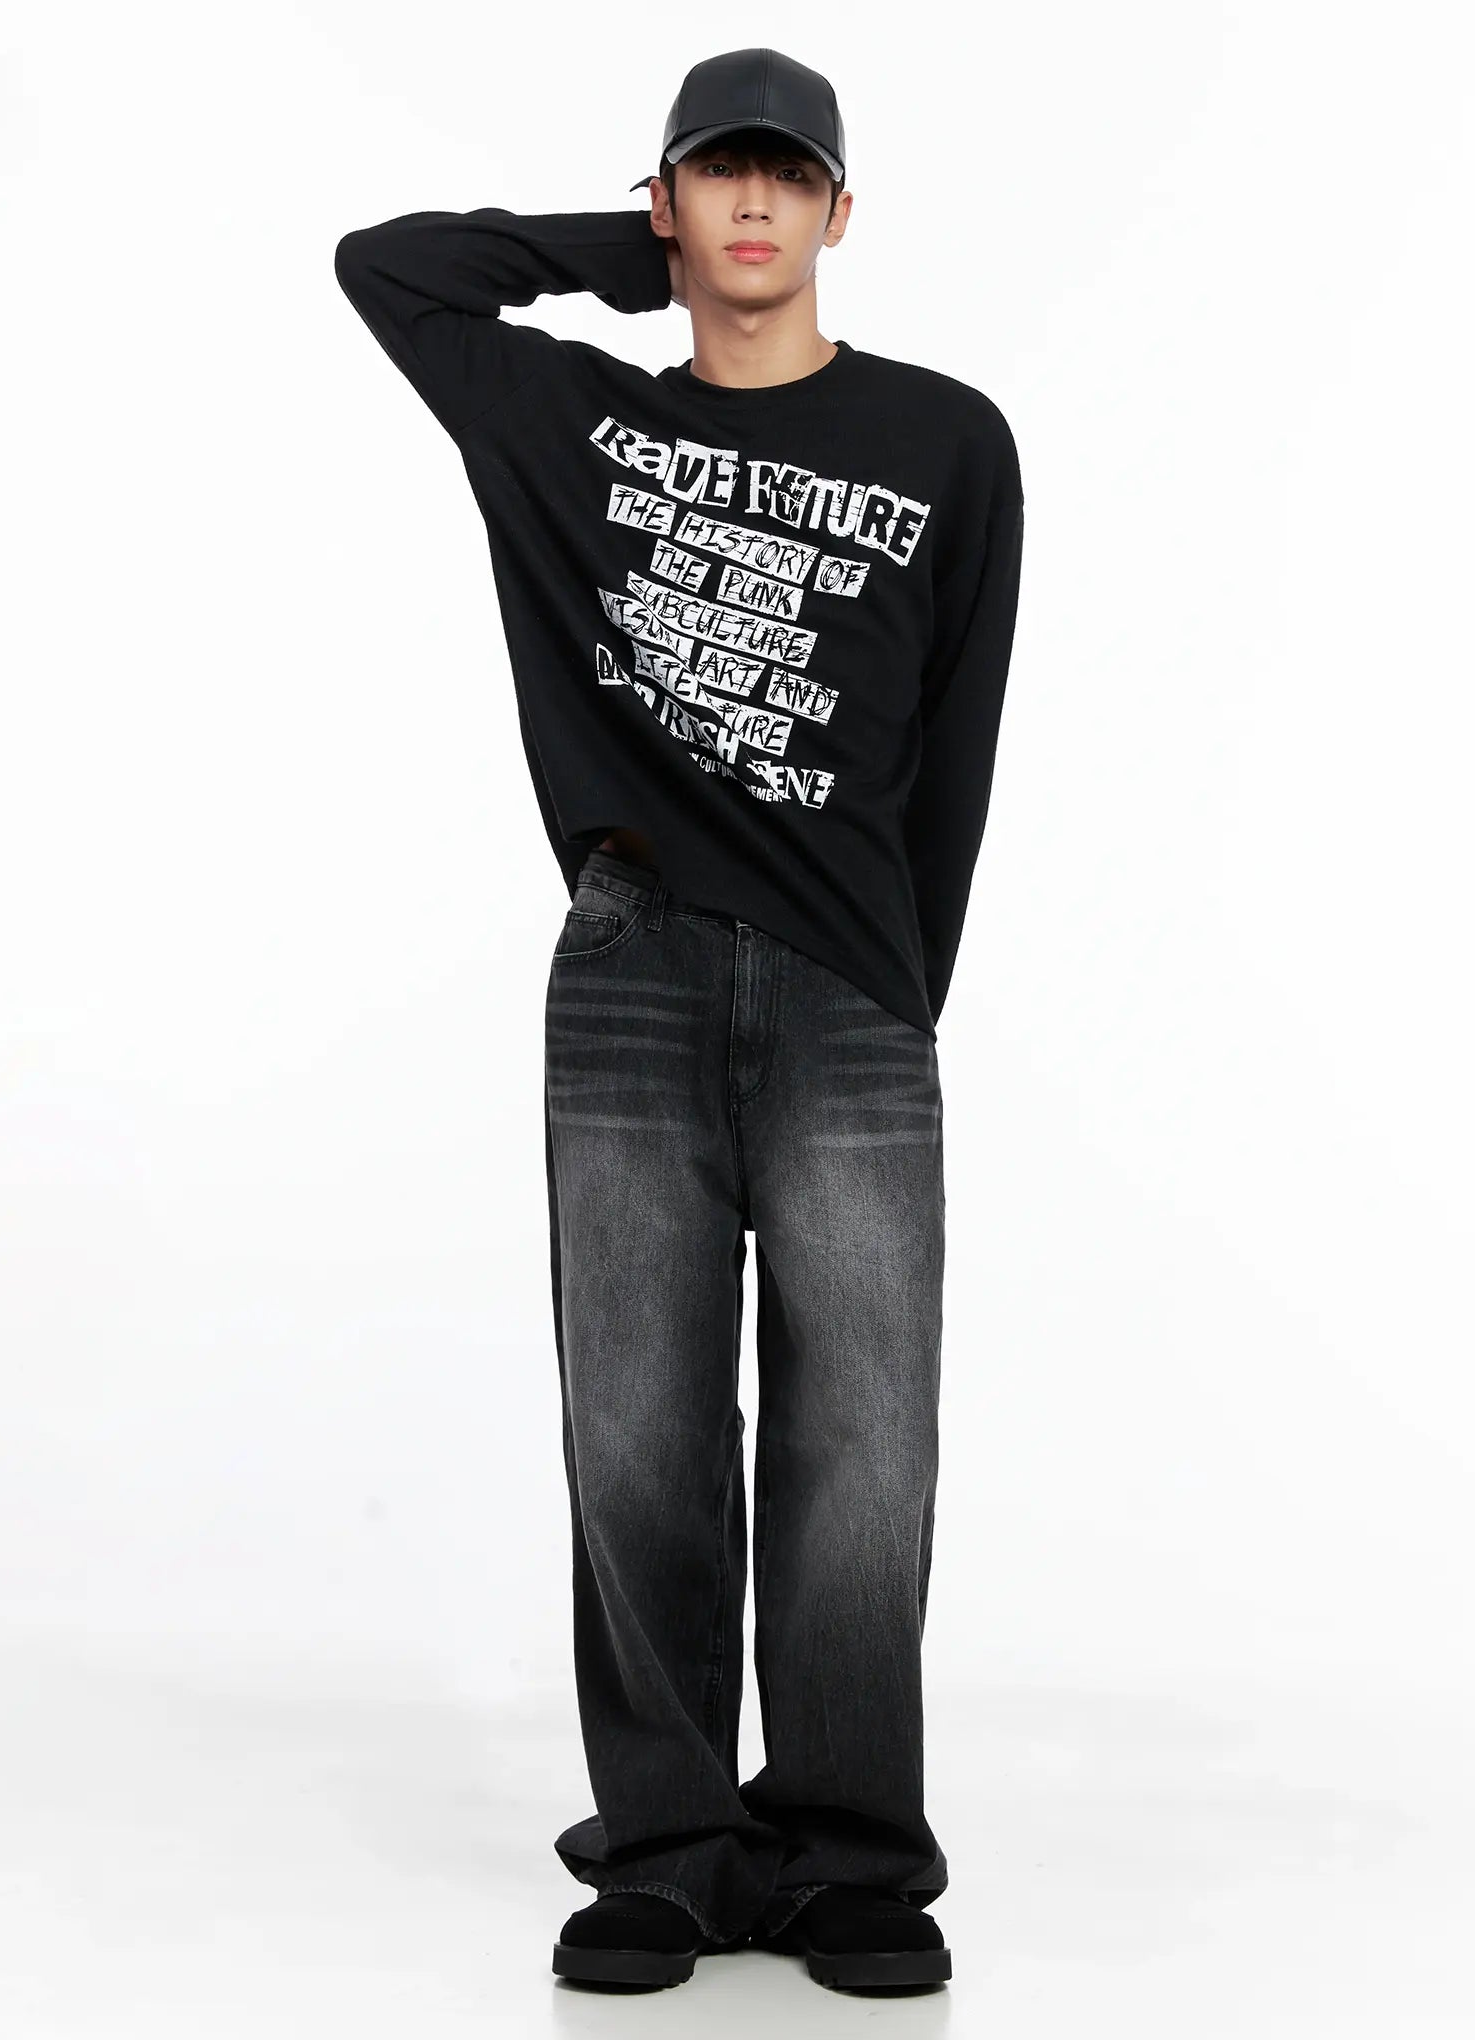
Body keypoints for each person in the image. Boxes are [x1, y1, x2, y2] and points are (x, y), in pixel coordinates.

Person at [334, 45, 1023, 1996]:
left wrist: (899, 978)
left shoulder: (946, 440)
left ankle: (849, 1857)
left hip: (854, 981)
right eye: (718, 172)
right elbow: (390, 266)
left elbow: (954, 739)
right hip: (632, 967)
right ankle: (668, 1848)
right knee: (636, 1426)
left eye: (787, 176)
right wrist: (622, 260)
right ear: (670, 199)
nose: (754, 202)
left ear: (840, 212)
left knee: (862, 1437)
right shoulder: (572, 422)